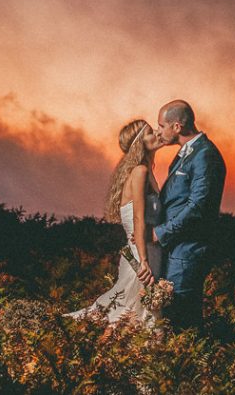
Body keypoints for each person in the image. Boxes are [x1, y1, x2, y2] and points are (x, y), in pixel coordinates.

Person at [65, 119, 165, 324]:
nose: (156, 133)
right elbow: (139, 218)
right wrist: (143, 262)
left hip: (149, 251)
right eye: (149, 132)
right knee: (129, 312)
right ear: (139, 143)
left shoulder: (146, 171)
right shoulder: (140, 172)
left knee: (134, 312)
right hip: (142, 254)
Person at [149, 100, 226, 331]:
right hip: (177, 249)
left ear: (177, 127)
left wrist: (160, 233)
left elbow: (198, 206)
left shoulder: (205, 155)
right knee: (173, 318)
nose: (158, 131)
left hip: (189, 251)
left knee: (182, 321)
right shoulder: (188, 153)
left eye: (161, 126)